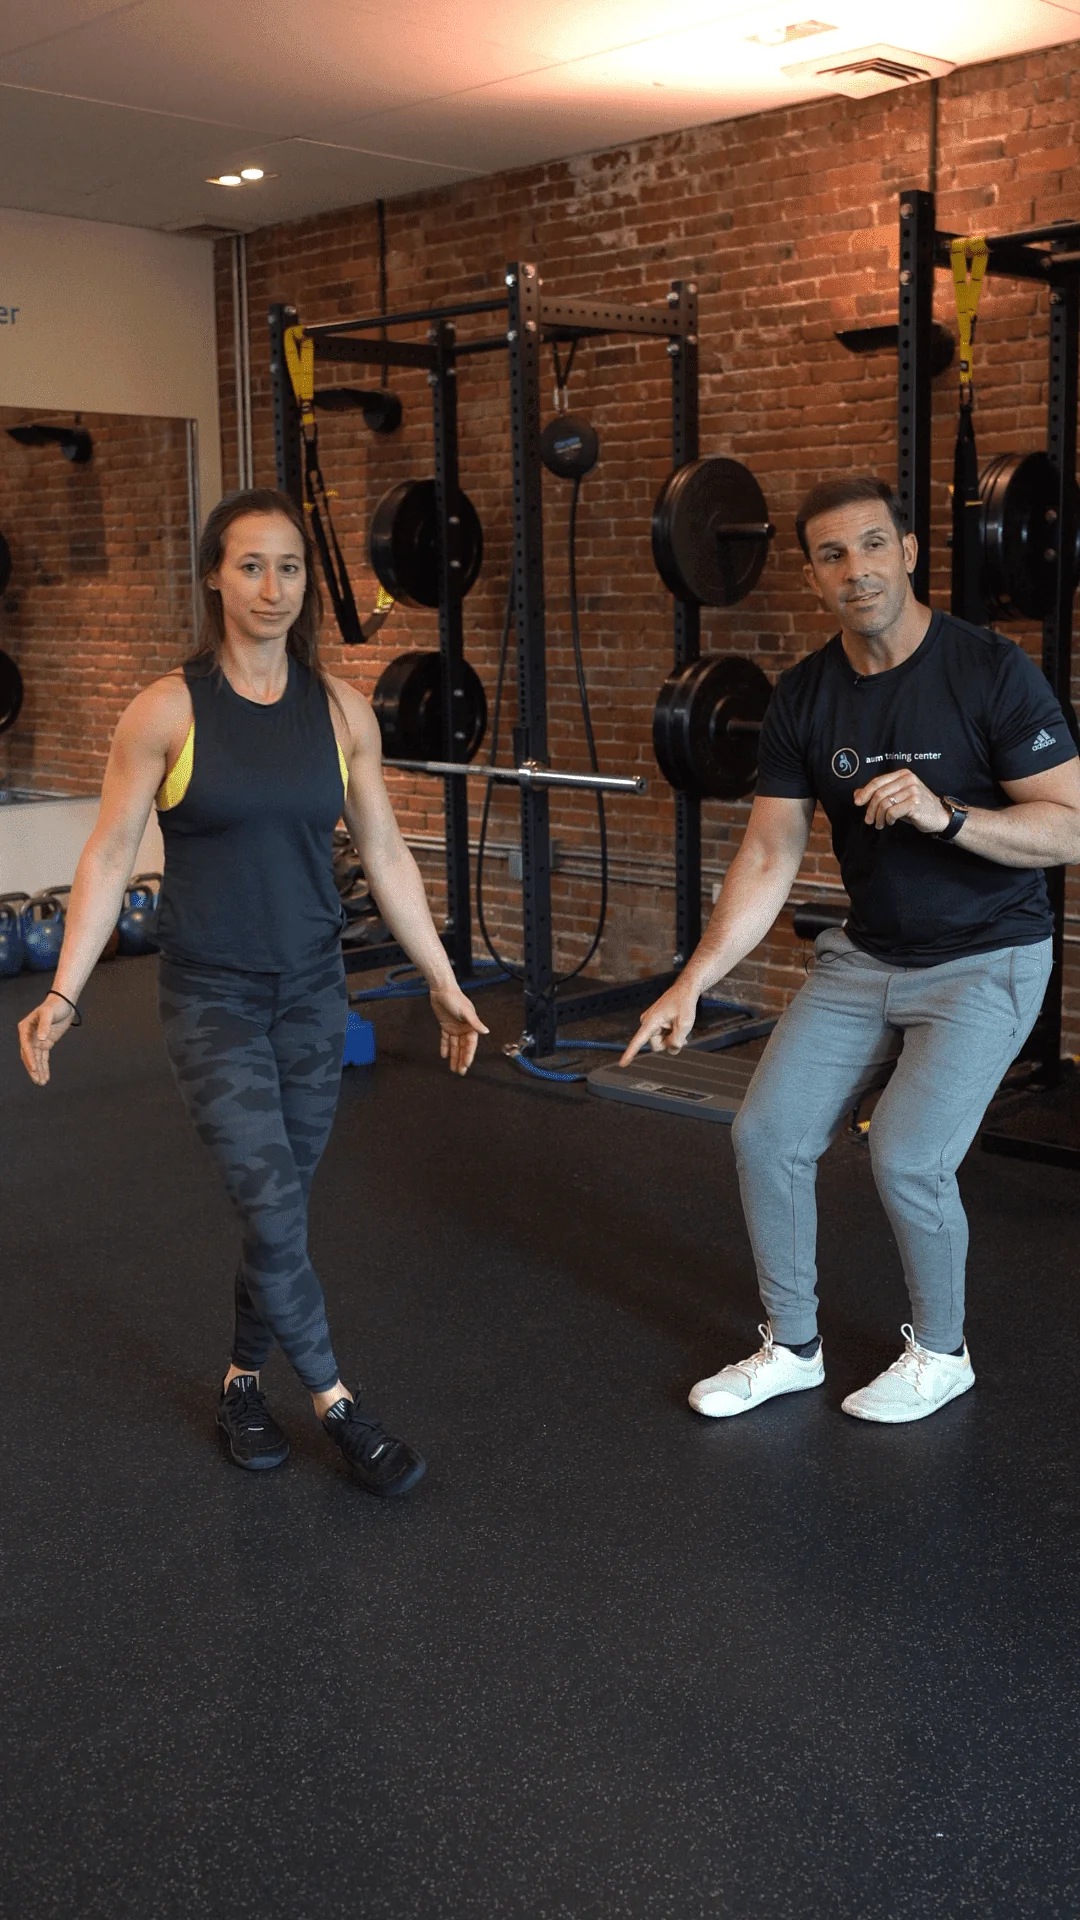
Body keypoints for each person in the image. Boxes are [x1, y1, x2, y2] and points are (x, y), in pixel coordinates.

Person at [17, 487, 488, 1493]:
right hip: (213, 998)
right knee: (272, 1204)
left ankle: (241, 1378)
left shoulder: (340, 711)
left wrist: (444, 981)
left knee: (281, 1212)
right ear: (213, 579)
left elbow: (388, 852)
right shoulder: (168, 710)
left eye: (288, 567)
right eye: (250, 566)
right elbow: (106, 856)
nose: (272, 587)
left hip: (315, 994)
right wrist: (65, 992)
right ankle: (338, 1405)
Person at [623, 474, 1080, 1424]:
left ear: (909, 553)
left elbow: (1070, 828)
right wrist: (694, 981)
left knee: (909, 1156)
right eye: (833, 555)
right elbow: (770, 850)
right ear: (813, 576)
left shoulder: (990, 670)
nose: (857, 569)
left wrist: (946, 814)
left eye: (874, 545)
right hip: (867, 958)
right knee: (767, 1135)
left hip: (986, 957)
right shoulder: (806, 696)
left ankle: (944, 1353)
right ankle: (792, 1347)